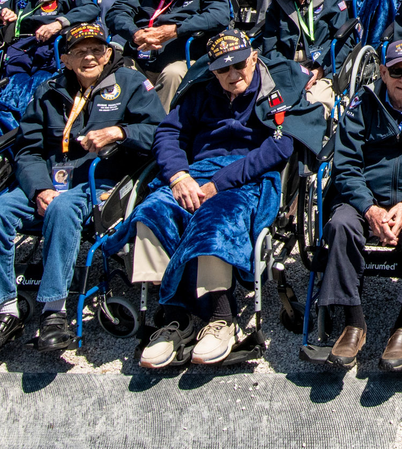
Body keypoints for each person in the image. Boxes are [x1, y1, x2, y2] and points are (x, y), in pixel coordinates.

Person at [0, 24, 165, 359]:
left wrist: (119, 132)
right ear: (66, 59)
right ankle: (6, 312)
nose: (89, 57)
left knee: (63, 210)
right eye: (79, 52)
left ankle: (54, 311)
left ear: (106, 53)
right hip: (48, 178)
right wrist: (39, 188)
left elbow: (160, 133)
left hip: (98, 179)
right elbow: (28, 149)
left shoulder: (130, 83)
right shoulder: (48, 90)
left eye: (95, 50)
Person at [132, 31, 330, 369]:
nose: (233, 74)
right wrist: (179, 176)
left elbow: (280, 146)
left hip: (247, 176)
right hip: (197, 170)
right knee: (151, 211)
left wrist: (218, 184)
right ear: (212, 71)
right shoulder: (201, 94)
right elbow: (168, 132)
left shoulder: (272, 91)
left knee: (215, 220)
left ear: (253, 58)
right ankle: (176, 316)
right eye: (224, 69)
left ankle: (221, 317)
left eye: (239, 65)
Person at [315, 39, 402, 370]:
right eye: (396, 71)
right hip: (365, 196)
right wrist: (370, 208)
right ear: (383, 71)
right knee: (339, 225)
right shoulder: (362, 104)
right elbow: (346, 165)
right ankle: (354, 323)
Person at [107, 0, 232, 104]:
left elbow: (219, 16)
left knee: (172, 74)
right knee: (116, 69)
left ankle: (161, 125)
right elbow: (116, 12)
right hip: (139, 57)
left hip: (183, 59)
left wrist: (176, 30)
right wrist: (135, 33)